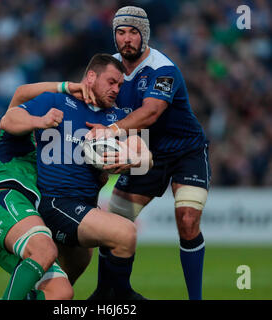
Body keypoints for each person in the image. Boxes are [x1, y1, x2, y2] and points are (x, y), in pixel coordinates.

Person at [0, 53, 153, 300]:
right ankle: (117, 297)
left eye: (120, 85)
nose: (116, 89)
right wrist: (40, 121)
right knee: (125, 233)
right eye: (112, 82)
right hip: (55, 202)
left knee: (58, 292)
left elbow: (145, 154)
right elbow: (9, 118)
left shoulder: (115, 119)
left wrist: (135, 160)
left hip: (82, 208)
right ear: (91, 76)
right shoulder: (57, 102)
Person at [86, 6, 211, 300]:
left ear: (144, 36)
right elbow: (89, 96)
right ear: (114, 36)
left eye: (133, 32)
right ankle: (107, 294)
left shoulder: (163, 69)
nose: (126, 39)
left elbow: (151, 113)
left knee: (188, 220)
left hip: (185, 151)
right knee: (113, 225)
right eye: (120, 32)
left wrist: (112, 130)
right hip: (143, 153)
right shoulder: (109, 68)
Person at [0, 80, 94, 300]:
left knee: (61, 293)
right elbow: (18, 98)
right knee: (45, 250)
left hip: (23, 225)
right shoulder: (22, 125)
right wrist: (65, 87)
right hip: (6, 200)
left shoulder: (63, 151)